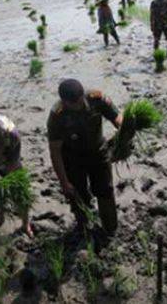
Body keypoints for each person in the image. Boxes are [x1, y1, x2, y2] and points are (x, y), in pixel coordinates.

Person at [46, 79, 122, 236]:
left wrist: (124, 133)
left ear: (83, 95)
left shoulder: (96, 98)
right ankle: (84, 227)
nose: (77, 107)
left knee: (105, 190)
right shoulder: (56, 116)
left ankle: (110, 229)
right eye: (72, 104)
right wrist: (64, 182)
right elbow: (55, 151)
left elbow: (117, 118)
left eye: (79, 102)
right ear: (63, 101)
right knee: (77, 195)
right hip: (72, 158)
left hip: (98, 152)